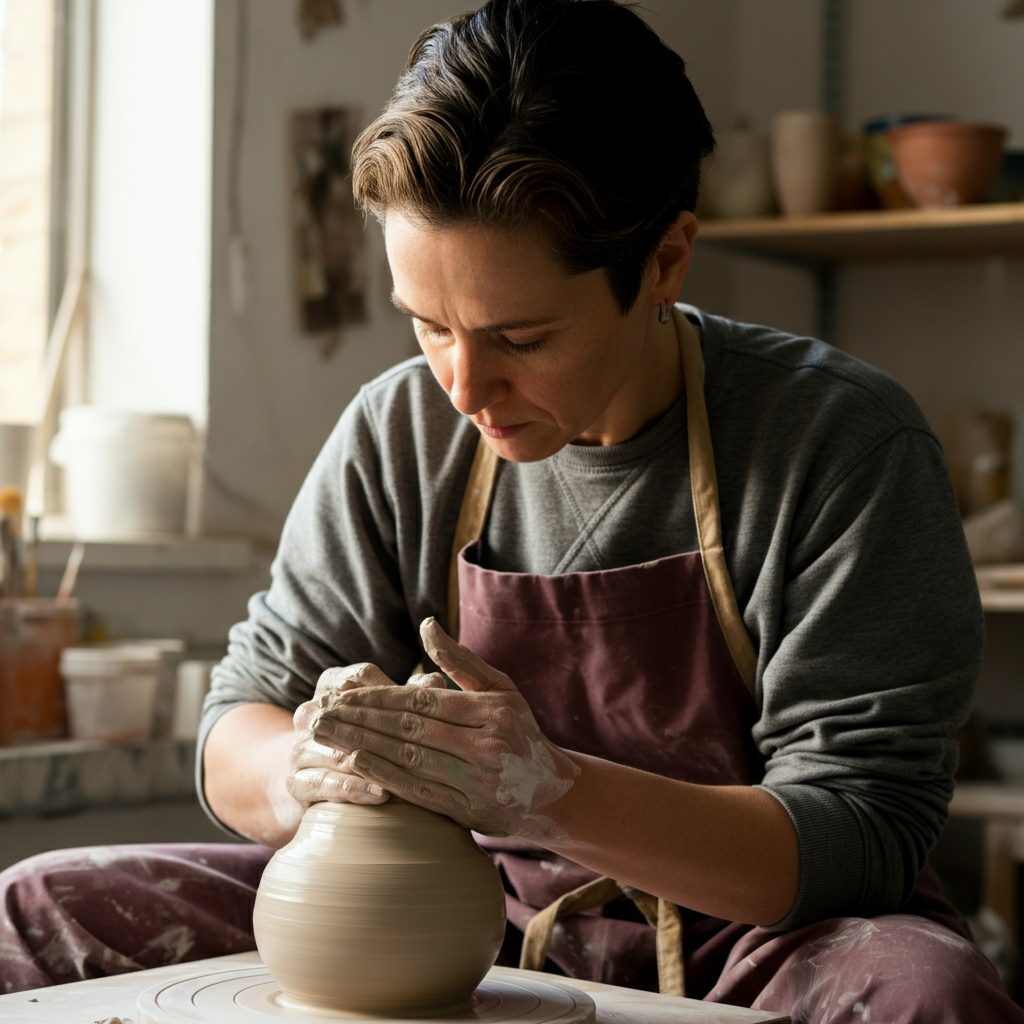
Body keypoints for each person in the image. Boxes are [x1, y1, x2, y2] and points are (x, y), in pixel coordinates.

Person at [0, 1, 1019, 1020]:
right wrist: (305, 764)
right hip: (464, 913)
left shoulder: (839, 443)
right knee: (37, 905)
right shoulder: (398, 430)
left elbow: (862, 831)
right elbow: (235, 728)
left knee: (930, 996)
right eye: (427, 325)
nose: (461, 385)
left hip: (754, 942)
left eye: (520, 338)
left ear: (665, 260)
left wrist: (552, 791)